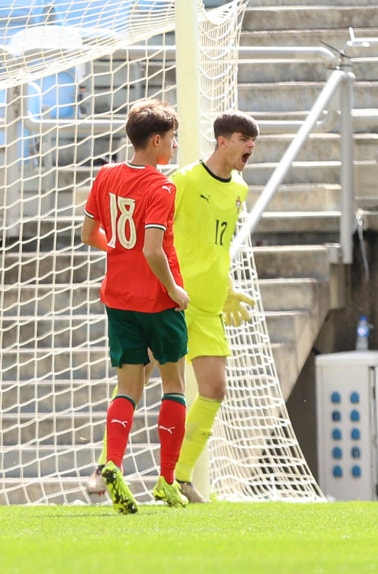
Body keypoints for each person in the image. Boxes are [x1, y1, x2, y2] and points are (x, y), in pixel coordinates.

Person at [87, 111, 259, 503]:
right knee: (139, 383)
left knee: (214, 388)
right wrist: (165, 284)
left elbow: (218, 245)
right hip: (173, 299)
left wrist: (228, 288)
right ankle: (105, 467)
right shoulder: (179, 181)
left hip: (209, 303)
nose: (250, 146)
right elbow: (155, 238)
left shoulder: (240, 189)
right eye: (243, 138)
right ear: (222, 141)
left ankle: (179, 477)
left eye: (254, 140)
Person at [81, 99, 190, 514]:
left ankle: (112, 464)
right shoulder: (162, 186)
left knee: (127, 388)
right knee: (173, 384)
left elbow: (89, 232)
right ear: (158, 140)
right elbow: (152, 249)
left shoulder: (107, 174)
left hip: (118, 300)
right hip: (158, 301)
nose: (176, 146)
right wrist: (175, 290)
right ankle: (166, 481)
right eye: (173, 138)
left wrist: (119, 259)